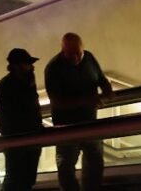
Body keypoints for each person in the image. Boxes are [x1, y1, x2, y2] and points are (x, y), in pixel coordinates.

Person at [44, 33, 113, 191]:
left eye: (78, 53)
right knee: (67, 168)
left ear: (83, 49)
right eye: (70, 54)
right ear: (62, 50)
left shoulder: (88, 58)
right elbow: (57, 102)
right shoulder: (53, 68)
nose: (75, 58)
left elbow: (100, 78)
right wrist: (87, 101)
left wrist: (107, 88)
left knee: (95, 163)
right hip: (66, 126)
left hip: (89, 122)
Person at [0, 48, 43, 191]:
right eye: (28, 63)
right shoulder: (10, 85)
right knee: (18, 179)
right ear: (18, 66)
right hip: (21, 141)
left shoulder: (19, 82)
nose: (32, 66)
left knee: (20, 179)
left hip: (23, 140)